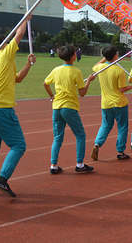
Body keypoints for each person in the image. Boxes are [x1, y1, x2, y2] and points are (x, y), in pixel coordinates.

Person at [0, 19, 36, 198]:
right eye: (5, 41)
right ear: (0, 46)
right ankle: (2, 180)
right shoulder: (4, 55)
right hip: (1, 109)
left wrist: (28, 64)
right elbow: (18, 35)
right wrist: (26, 20)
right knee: (18, 145)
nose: (8, 43)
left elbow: (17, 79)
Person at [43, 45, 96, 174]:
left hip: (57, 107)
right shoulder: (76, 72)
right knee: (80, 135)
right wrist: (89, 81)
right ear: (73, 56)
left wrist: (51, 95)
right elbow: (82, 93)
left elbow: (45, 83)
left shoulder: (56, 70)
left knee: (58, 138)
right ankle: (80, 164)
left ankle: (53, 165)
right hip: (69, 107)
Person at [91, 46, 132, 161]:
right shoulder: (119, 70)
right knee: (122, 127)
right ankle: (120, 151)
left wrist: (105, 58)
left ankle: (97, 144)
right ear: (115, 55)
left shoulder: (100, 68)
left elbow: (95, 65)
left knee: (105, 125)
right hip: (119, 103)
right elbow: (122, 89)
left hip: (106, 104)